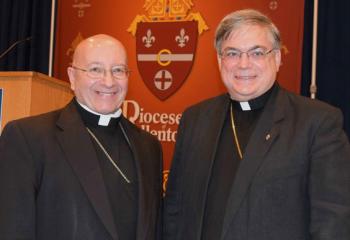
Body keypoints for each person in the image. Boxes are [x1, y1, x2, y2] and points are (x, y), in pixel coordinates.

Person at [164, 9, 350, 240]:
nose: (244, 64)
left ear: (278, 58)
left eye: (257, 53)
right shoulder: (195, 119)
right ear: (220, 60)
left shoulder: (317, 122)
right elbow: (174, 210)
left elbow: (333, 221)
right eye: (232, 53)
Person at [0, 34, 163, 240]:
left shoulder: (148, 146)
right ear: (72, 76)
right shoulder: (29, 138)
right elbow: (12, 230)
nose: (108, 81)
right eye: (95, 69)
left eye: (118, 70)